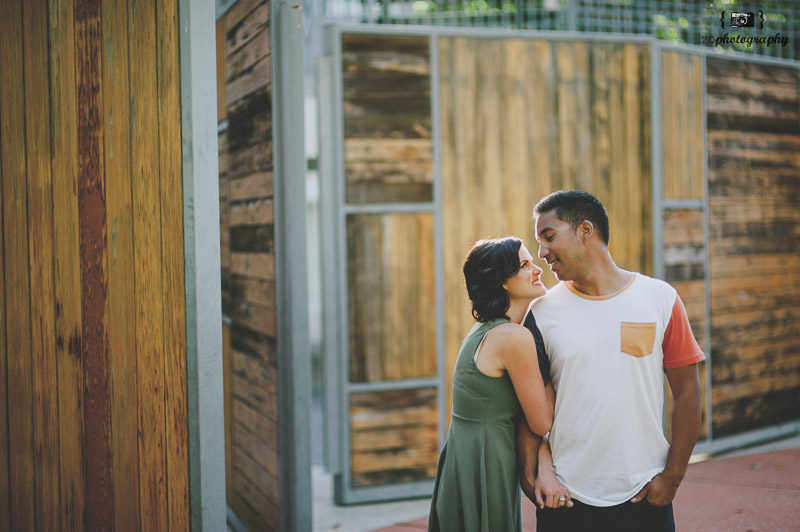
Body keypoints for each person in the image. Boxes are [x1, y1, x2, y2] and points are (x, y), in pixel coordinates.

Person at [516, 190, 705, 532]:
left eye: (549, 237)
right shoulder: (541, 313)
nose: (542, 252)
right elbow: (529, 410)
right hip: (566, 500)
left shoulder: (661, 299)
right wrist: (531, 480)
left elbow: (688, 392)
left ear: (585, 230)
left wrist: (673, 477)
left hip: (644, 497)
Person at [429, 237, 554, 532]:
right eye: (524, 265)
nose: (537, 269)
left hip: (466, 451)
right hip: (486, 456)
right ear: (502, 281)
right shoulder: (512, 336)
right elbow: (541, 422)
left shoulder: (485, 328)